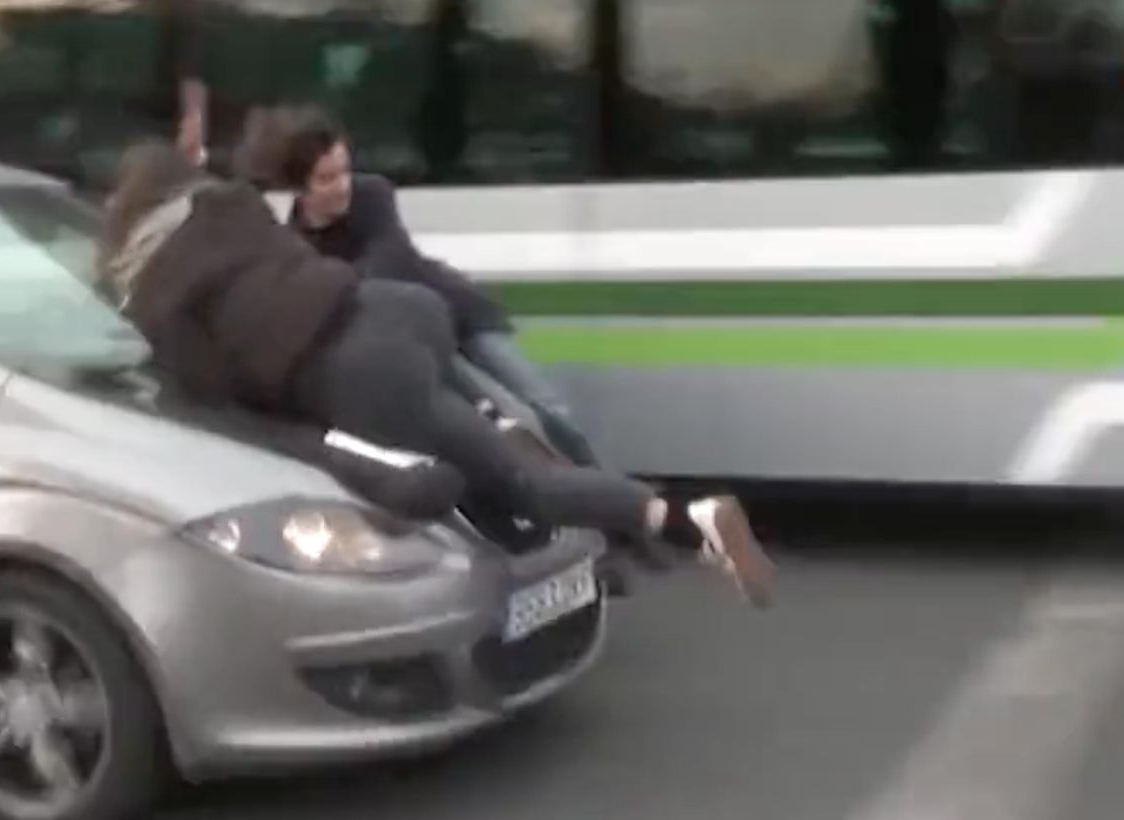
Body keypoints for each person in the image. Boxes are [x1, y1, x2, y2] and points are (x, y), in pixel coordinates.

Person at [99, 139, 777, 606]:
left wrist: (353, 454)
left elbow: (229, 406)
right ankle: (568, 533)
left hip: (362, 375)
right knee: (502, 447)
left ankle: (686, 521)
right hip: (403, 312)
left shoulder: (155, 300)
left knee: (520, 486)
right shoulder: (227, 205)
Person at [230, 103, 602, 468]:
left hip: (460, 315)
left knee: (545, 405)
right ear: (301, 187)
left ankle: (602, 487)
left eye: (344, 171)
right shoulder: (299, 240)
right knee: (481, 427)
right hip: (417, 340)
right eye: (327, 179)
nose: (342, 186)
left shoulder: (373, 194)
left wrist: (339, 285)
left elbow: (390, 258)